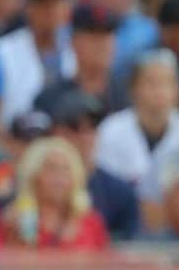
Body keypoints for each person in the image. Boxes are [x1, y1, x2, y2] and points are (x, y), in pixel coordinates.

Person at [0, 0, 76, 137]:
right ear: (29, 8)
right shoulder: (2, 51)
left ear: (66, 9)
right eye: (42, 4)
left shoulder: (77, 48)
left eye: (55, 4)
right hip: (17, 144)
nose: (49, 11)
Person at [95, 50, 179, 200]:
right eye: (151, 82)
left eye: (167, 82)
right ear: (133, 88)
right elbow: (103, 187)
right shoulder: (111, 130)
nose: (159, 90)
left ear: (178, 90)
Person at [51, 92, 139, 239]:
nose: (84, 136)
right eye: (75, 127)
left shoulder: (119, 193)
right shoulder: (36, 183)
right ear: (56, 132)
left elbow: (128, 249)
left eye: (92, 126)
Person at [5, 137, 109, 250]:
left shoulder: (91, 223)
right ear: (33, 176)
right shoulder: (16, 220)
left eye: (66, 170)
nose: (59, 178)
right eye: (51, 169)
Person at [35, 2, 119, 118]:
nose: (102, 45)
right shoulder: (51, 99)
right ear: (74, 43)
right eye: (94, 37)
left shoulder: (128, 95)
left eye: (107, 37)